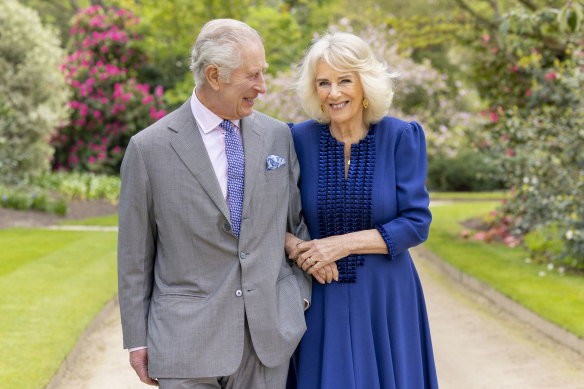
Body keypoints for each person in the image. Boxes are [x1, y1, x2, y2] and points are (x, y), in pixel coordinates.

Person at [117, 19, 333, 389]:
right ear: (214, 75)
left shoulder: (278, 137)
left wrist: (296, 299)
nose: (262, 87)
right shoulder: (148, 148)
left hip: (267, 338)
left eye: (262, 73)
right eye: (253, 75)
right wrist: (137, 339)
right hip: (184, 344)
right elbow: (135, 255)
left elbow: (296, 223)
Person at [285, 32, 439, 389]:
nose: (334, 93)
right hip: (322, 292)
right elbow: (268, 216)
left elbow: (416, 223)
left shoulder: (402, 137)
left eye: (344, 81)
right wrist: (298, 249)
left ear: (364, 84)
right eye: (323, 83)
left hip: (387, 297)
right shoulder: (296, 139)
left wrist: (341, 244)